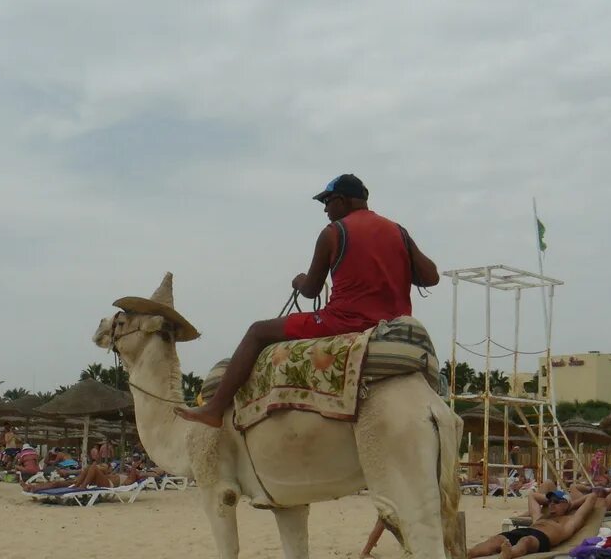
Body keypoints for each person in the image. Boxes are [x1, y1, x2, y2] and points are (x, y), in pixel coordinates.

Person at [175, 174, 440, 427]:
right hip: (390, 325)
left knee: (257, 331)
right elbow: (431, 277)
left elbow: (312, 290)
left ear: (343, 200)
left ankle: (214, 408)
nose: (325, 210)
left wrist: (299, 280)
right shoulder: (398, 231)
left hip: (344, 322)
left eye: (327, 202)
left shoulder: (333, 232)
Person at [467, 482, 611, 559]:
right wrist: (553, 501)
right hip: (528, 529)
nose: (552, 504)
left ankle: (511, 554)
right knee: (496, 539)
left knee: (526, 541)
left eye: (556, 502)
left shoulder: (572, 520)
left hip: (542, 538)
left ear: (566, 503)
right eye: (550, 502)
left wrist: (569, 504)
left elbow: (591, 498)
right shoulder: (541, 516)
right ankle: (468, 554)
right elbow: (533, 496)